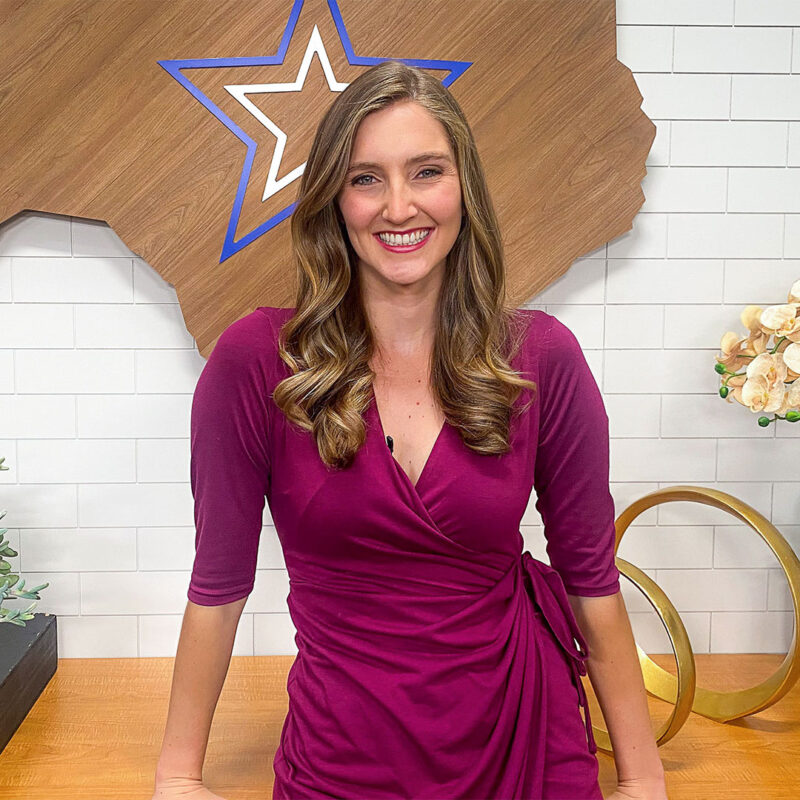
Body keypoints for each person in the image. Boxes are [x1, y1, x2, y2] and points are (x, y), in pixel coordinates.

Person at [152, 60, 668, 800]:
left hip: (524, 736)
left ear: (464, 190)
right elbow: (219, 587)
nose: (399, 207)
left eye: (426, 171)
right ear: (334, 199)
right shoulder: (255, 363)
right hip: (341, 758)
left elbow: (591, 580)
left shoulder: (542, 357)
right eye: (366, 179)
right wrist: (177, 774)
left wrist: (644, 778)